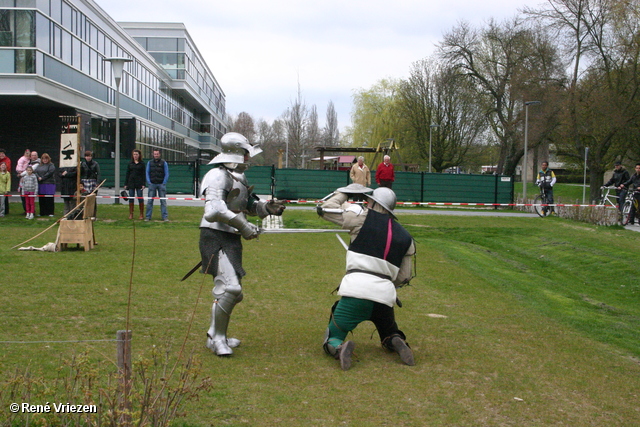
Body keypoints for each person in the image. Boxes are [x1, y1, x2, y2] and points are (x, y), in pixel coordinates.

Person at [199, 132, 285, 356]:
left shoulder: (239, 177)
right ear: (236, 153)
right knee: (231, 288)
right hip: (214, 236)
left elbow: (247, 206)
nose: (249, 159)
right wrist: (244, 226)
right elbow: (214, 210)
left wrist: (267, 208)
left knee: (234, 293)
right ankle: (218, 340)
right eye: (246, 154)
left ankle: (214, 334)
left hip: (230, 237)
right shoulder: (216, 175)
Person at [317, 185, 416, 370]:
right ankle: (395, 340)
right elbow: (404, 277)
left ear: (372, 202)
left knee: (332, 336)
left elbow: (324, 209)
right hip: (385, 295)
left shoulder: (361, 218)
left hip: (356, 290)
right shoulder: (406, 238)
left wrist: (345, 192)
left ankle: (339, 347)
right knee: (388, 329)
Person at [145, 149, 169, 221]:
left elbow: (167, 173)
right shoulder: (149, 163)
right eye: (155, 154)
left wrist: (164, 182)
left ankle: (164, 217)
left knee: (163, 201)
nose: (156, 155)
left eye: (157, 154)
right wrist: (149, 182)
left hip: (161, 184)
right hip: (152, 184)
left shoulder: (164, 163)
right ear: (153, 154)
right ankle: (148, 217)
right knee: (150, 201)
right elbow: (147, 173)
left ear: (159, 154)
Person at [124, 149, 146, 219]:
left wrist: (143, 184)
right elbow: (127, 174)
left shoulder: (142, 164)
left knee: (140, 198)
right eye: (134, 154)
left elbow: (143, 174)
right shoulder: (130, 163)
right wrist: (126, 184)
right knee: (131, 198)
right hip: (131, 183)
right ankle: (131, 213)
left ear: (139, 155)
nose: (135, 156)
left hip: (139, 183)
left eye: (136, 154)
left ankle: (141, 214)